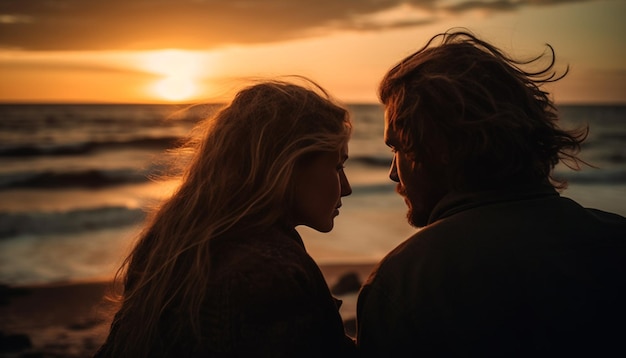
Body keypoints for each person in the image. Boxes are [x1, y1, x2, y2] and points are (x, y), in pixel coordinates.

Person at [356, 29, 626, 357]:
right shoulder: (615, 241)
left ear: (438, 147)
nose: (393, 172)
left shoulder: (405, 283)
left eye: (397, 147)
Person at [95, 78, 357, 357]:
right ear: (287, 165)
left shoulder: (169, 242)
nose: (347, 187)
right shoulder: (266, 274)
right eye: (337, 166)